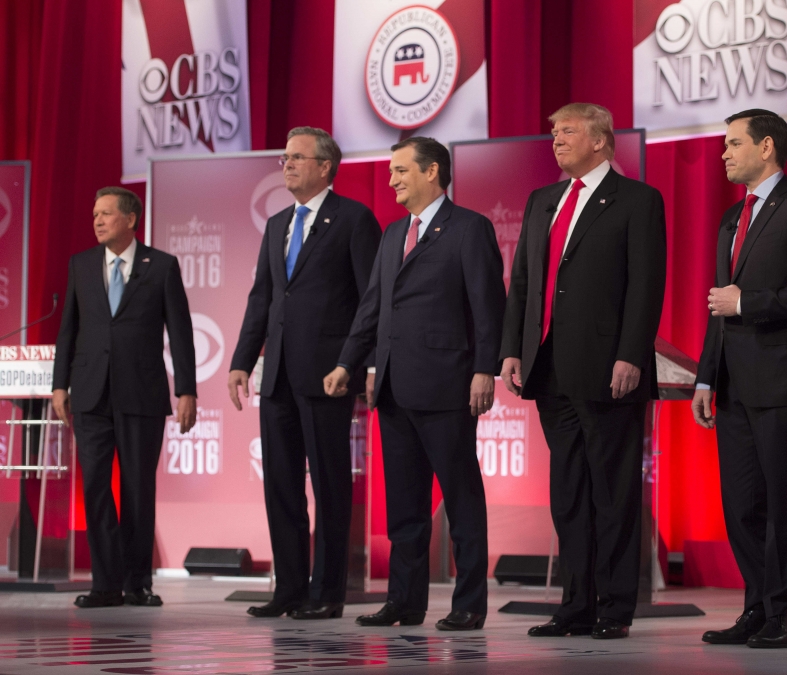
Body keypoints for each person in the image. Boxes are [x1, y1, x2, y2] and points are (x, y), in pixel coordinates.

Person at [499, 103, 667, 640]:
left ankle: (614, 607)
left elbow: (646, 284)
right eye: (552, 131)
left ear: (600, 141)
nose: (555, 139)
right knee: (568, 491)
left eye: (567, 131)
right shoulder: (542, 200)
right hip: (548, 366)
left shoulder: (637, 200)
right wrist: (513, 349)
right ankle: (575, 604)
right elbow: (523, 281)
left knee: (612, 491)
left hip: (607, 367)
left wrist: (631, 354)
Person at [325, 137, 505, 631]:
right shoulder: (391, 234)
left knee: (461, 500)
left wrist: (484, 370)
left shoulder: (469, 228)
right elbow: (372, 307)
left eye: (401, 170)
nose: (392, 180)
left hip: (447, 385)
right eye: (390, 171)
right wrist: (348, 363)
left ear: (432, 172)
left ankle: (468, 603)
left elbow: (489, 308)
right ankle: (404, 602)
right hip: (392, 387)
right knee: (404, 505)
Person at [228, 127, 381, 620]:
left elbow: (371, 300)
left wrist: (357, 363)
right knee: (281, 485)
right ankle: (289, 588)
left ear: (324, 166)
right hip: (276, 380)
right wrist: (240, 361)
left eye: (297, 157)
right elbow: (262, 300)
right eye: (285, 157)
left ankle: (328, 591)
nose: (288, 164)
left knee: (332, 486)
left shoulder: (354, 219)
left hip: (327, 375)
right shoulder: (277, 224)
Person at [693, 110, 787, 648]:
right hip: (732, 386)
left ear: (767, 146)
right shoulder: (732, 218)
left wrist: (749, 302)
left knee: (785, 501)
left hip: (784, 381)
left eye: (733, 144)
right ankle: (758, 606)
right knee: (742, 504)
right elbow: (716, 307)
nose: (724, 154)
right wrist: (706, 378)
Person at [53, 186, 196, 608]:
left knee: (137, 489)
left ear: (130, 219)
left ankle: (138, 583)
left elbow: (182, 334)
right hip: (91, 394)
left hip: (142, 394)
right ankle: (105, 584)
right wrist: (60, 385)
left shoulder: (162, 266)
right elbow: (68, 331)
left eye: (106, 214)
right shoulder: (80, 265)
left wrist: (186, 389)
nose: (97, 221)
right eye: (95, 214)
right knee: (95, 487)